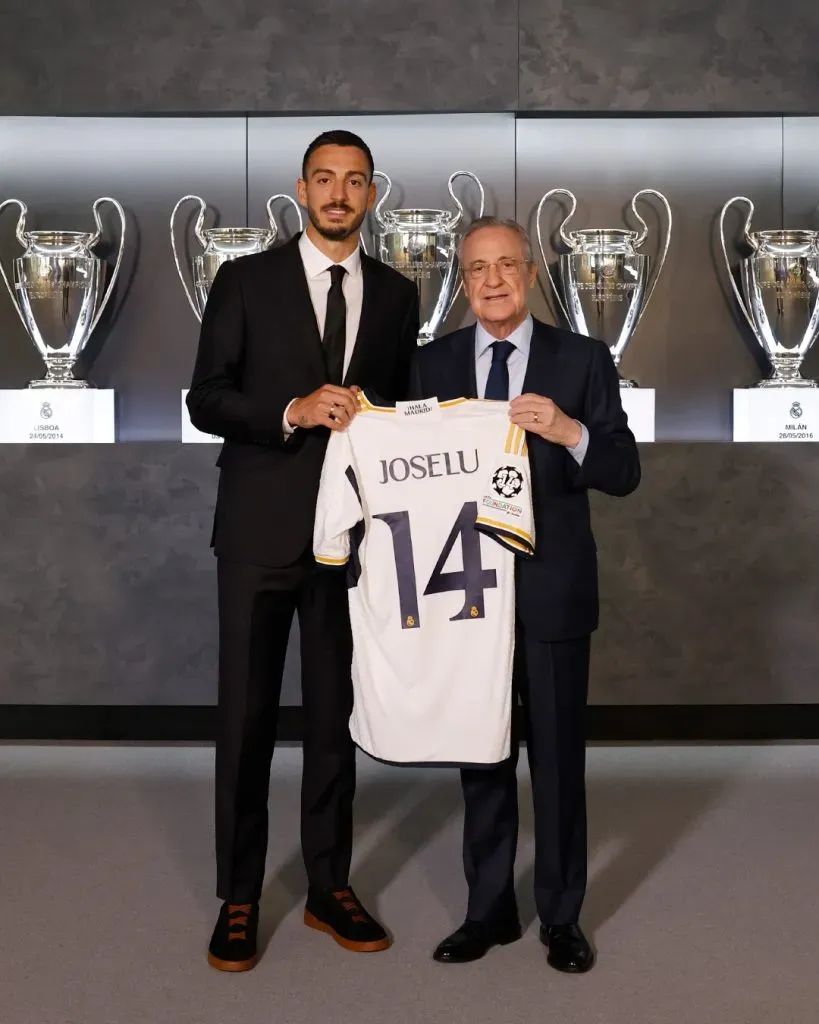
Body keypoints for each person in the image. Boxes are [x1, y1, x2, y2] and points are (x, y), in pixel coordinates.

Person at [187, 130, 419, 971]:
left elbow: (401, 414)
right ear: (300, 189)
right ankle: (239, 896)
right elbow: (204, 399)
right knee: (245, 720)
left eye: (354, 181)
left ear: (371, 194)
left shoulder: (398, 293)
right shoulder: (243, 279)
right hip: (257, 531)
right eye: (325, 178)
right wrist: (290, 408)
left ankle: (328, 884)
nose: (338, 193)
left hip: (352, 542)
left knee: (332, 721)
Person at [409, 216, 640, 974]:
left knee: (556, 762)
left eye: (506, 265)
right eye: (477, 269)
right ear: (462, 281)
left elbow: (620, 467)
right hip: (464, 594)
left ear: (532, 274)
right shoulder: (430, 364)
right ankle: (487, 911)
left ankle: (562, 917)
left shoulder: (581, 358)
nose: (493, 281)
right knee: (479, 756)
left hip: (551, 592)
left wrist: (572, 431)